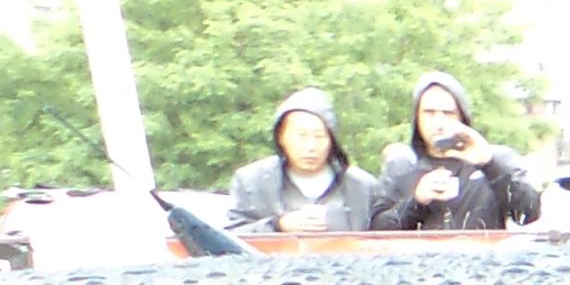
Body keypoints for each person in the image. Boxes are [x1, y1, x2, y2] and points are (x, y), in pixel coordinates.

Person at [372, 72, 539, 232]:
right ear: (417, 117)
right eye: (429, 113)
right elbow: (376, 231)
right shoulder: (401, 167)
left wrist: (489, 166)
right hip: (420, 253)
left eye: (448, 113)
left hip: (480, 252)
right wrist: (417, 202)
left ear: (462, 116)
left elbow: (528, 214)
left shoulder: (496, 160)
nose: (439, 123)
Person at [226, 87, 375, 235]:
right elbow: (230, 237)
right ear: (281, 137)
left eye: (319, 136)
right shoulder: (252, 182)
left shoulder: (362, 186)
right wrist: (277, 225)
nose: (311, 147)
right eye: (301, 136)